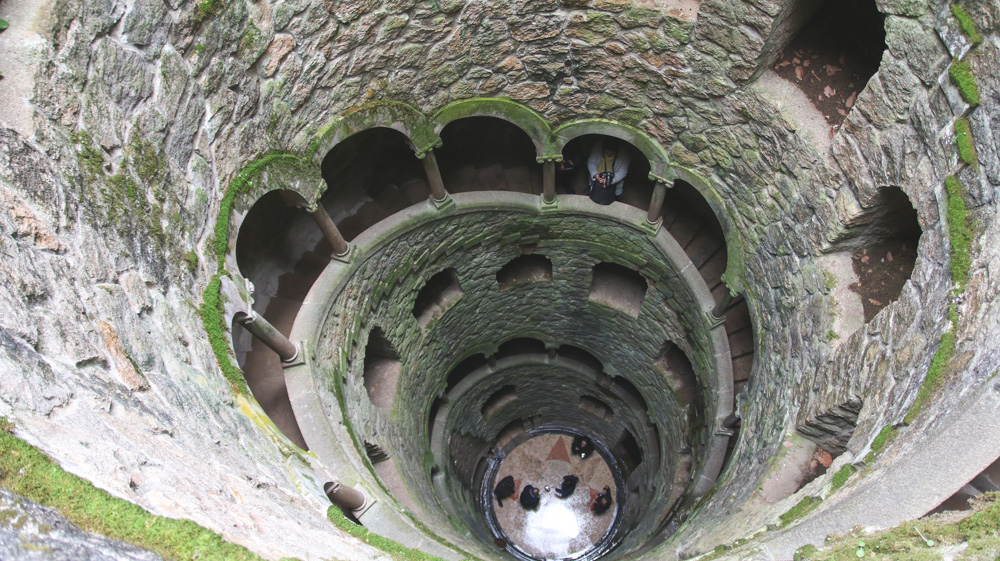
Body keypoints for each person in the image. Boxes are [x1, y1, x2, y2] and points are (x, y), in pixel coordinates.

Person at [586, 139, 630, 205]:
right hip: (596, 186)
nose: (609, 154)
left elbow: (622, 172)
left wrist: (611, 180)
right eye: (607, 152)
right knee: (594, 201)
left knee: (612, 204)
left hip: (614, 189)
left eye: (612, 153)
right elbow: (591, 162)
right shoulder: (598, 148)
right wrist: (595, 174)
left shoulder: (625, 154)